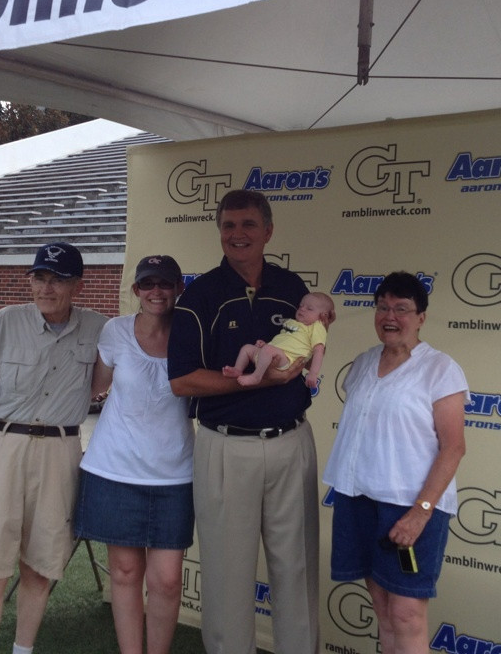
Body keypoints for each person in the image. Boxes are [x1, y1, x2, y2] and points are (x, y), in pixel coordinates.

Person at [168, 189, 329, 654]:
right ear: (219, 231)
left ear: (268, 231)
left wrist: (299, 367)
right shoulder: (200, 294)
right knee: (226, 575)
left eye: (248, 224)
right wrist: (251, 383)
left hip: (290, 440)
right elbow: (182, 380)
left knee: (297, 569)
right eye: (229, 225)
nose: (238, 234)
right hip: (225, 447)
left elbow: (313, 343)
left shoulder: (292, 286)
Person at [0, 242, 107, 654]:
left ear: (78, 286)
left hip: (61, 453)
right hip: (5, 450)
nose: (46, 288)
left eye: (58, 280)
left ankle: (22, 650)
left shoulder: (99, 328)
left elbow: (100, 384)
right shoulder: (5, 322)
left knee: (40, 570)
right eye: (39, 278)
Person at [322, 271, 470, 654]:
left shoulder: (441, 369)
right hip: (359, 498)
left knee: (406, 615)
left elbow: (453, 448)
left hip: (411, 507)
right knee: (384, 611)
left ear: (421, 317)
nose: (390, 316)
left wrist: (420, 513)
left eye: (402, 308)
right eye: (383, 307)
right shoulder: (362, 363)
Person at [74, 254, 194, 654]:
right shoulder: (115, 331)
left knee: (167, 581)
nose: (156, 292)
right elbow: (94, 388)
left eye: (165, 283)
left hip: (174, 475)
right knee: (125, 573)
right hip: (114, 470)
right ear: (136, 289)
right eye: (148, 284)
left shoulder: (192, 333)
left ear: (179, 288)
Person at [222, 292, 334, 389]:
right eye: (300, 306)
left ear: (323, 315)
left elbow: (319, 351)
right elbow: (282, 341)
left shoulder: (317, 327)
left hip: (288, 360)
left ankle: (256, 377)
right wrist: (265, 345)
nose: (302, 309)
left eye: (309, 308)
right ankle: (237, 369)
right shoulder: (292, 322)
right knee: (247, 348)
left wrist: (313, 373)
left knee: (268, 350)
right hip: (273, 354)